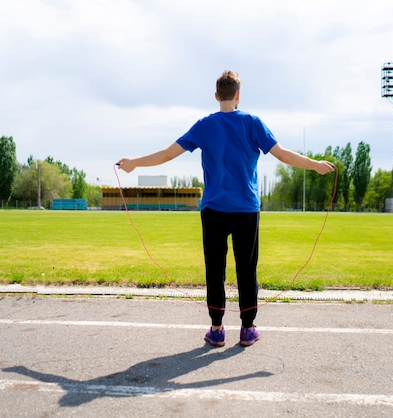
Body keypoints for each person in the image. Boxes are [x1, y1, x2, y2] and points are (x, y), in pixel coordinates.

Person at [117, 70, 335, 347]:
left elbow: (167, 154)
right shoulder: (252, 123)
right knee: (247, 269)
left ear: (217, 95)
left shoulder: (204, 125)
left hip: (214, 210)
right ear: (238, 95)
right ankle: (247, 329)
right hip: (246, 209)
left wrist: (135, 162)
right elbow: (282, 154)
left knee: (215, 269)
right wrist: (315, 165)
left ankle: (217, 329)